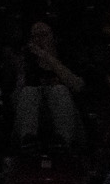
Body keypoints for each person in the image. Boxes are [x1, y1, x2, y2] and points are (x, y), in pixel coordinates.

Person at [12, 21, 88, 151]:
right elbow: (15, 100)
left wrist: (47, 58)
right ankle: (28, 140)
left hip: (67, 117)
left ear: (53, 37)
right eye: (35, 36)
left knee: (59, 90)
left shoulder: (67, 56)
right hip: (34, 118)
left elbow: (79, 87)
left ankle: (62, 142)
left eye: (43, 35)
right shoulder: (26, 62)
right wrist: (20, 73)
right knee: (29, 91)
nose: (39, 39)